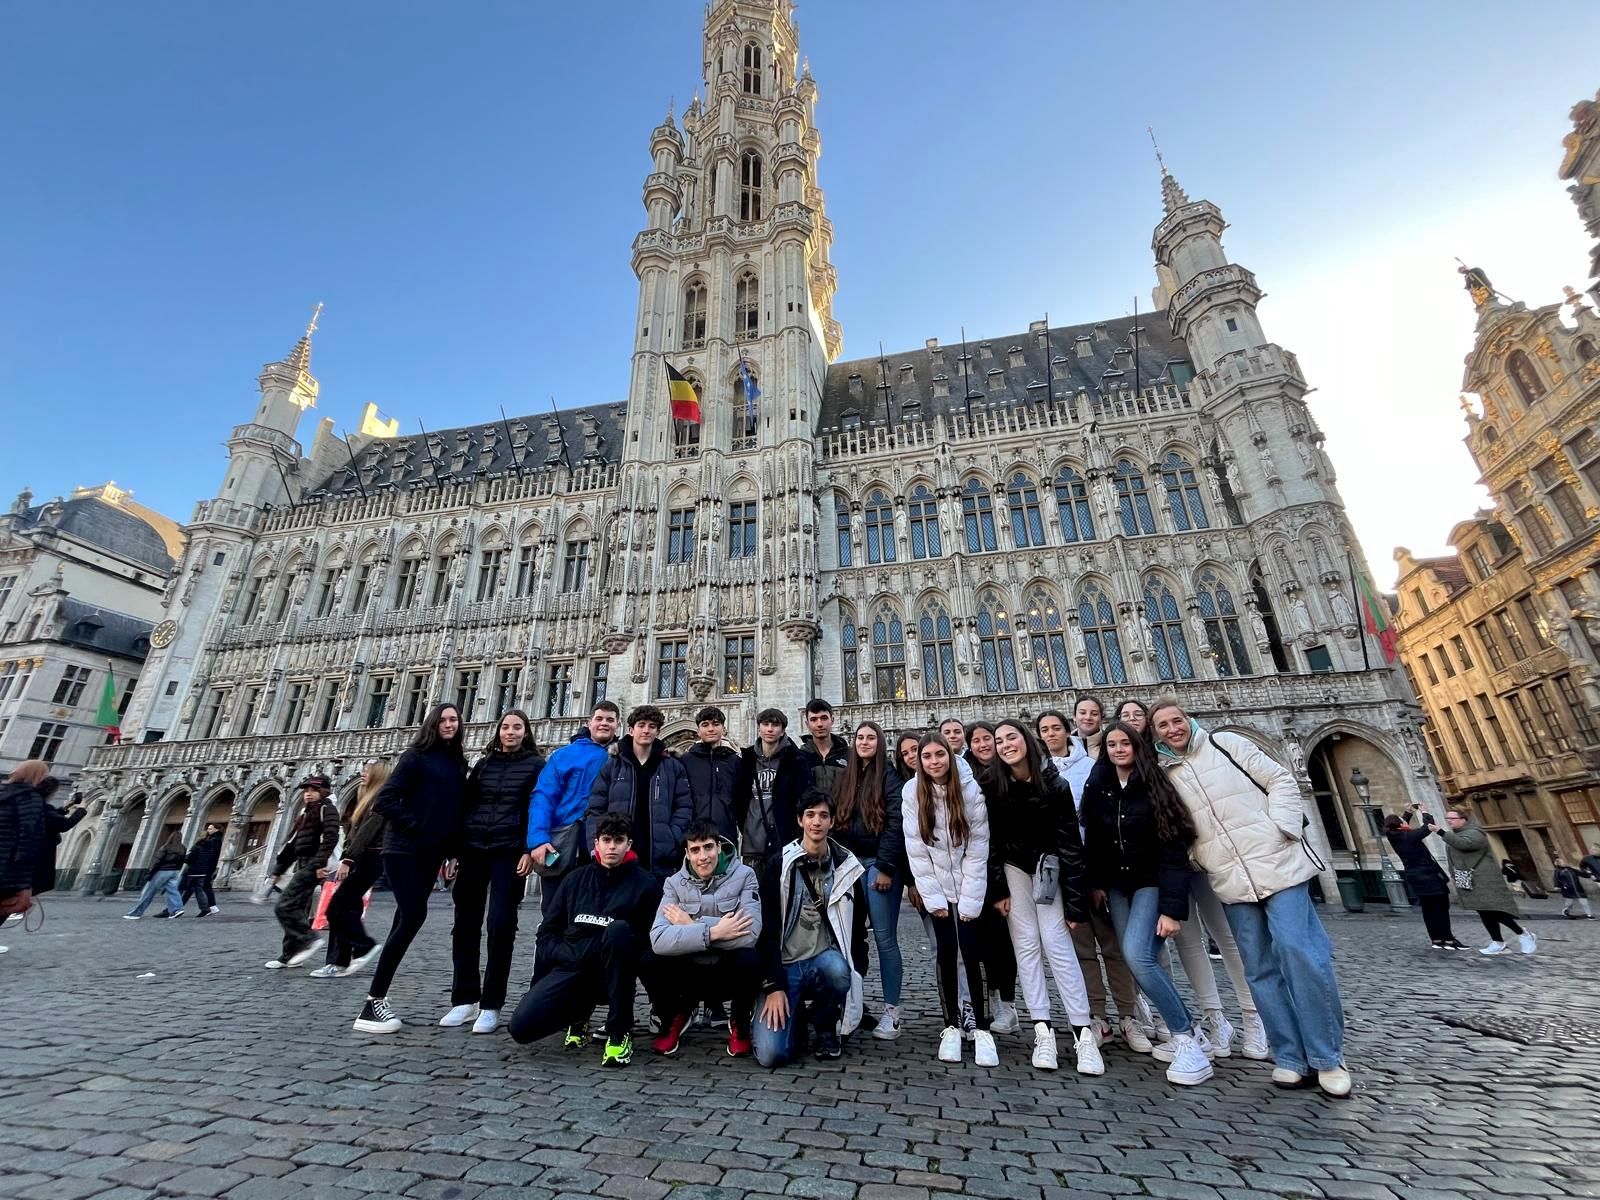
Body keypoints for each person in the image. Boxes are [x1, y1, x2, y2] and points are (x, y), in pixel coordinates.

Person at [1152, 698, 1352, 1098]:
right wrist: (1200, 856)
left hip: (1278, 864)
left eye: (1177, 720)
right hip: (1229, 876)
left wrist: (1282, 828)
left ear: (1189, 720)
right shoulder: (1163, 774)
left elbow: (1281, 779)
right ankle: (1291, 1057)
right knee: (1257, 966)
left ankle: (1328, 1057)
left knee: (1301, 953)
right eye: (1163, 725)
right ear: (1155, 734)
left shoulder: (1227, 743)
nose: (1172, 729)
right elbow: (1173, 827)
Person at [1081, 721, 1212, 1087]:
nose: (1119, 749)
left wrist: (1172, 909)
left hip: (1151, 883)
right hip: (1117, 886)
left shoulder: (1156, 785)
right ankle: (1190, 1030)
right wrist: (1095, 884)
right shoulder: (1099, 787)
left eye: (1126, 743)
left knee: (1138, 956)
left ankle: (1185, 1037)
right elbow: (1093, 839)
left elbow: (1174, 847)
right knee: (1135, 958)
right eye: (1112, 744)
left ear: (1138, 747)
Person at [985, 719, 1099, 1074]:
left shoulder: (1056, 784)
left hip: (1048, 871)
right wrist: (999, 889)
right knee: (1026, 945)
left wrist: (1076, 902)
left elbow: (1070, 843)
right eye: (999, 741)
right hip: (1014, 869)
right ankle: (1042, 1029)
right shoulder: (993, 784)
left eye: (1011, 738)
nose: (1005, 745)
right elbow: (989, 840)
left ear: (1026, 741)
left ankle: (1083, 1032)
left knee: (1057, 942)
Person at [508, 812, 665, 1066]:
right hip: (572, 965)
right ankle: (579, 1013)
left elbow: (653, 942)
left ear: (629, 844)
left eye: (618, 840)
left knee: (619, 931)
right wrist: (566, 954)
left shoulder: (646, 884)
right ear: (596, 843)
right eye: (606, 840)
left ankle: (619, 1032)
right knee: (521, 1028)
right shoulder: (574, 880)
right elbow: (547, 933)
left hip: (615, 970)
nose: (612, 846)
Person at [353, 702, 469, 1034]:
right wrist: (415, 826)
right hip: (403, 850)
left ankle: (376, 999)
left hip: (430, 853)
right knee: (413, 915)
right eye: (443, 719)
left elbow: (451, 811)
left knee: (404, 920)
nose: (449, 724)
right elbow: (385, 799)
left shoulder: (456, 763)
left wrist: (451, 849)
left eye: (454, 719)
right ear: (432, 724)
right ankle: (373, 1001)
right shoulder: (415, 757)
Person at [1037, 707, 1145, 1051]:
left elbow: (1102, 821)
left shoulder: (1094, 768)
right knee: (1081, 947)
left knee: (1114, 946)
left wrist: (1097, 873)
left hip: (1096, 865)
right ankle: (1098, 1016)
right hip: (1063, 871)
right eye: (1045, 729)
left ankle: (1129, 1015)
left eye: (1056, 728)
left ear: (1067, 731)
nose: (1051, 734)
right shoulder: (1038, 772)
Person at [441, 710, 545, 1035]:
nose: (510, 732)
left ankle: (491, 1004)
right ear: (498, 731)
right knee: (465, 925)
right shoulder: (484, 765)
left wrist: (529, 848)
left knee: (501, 925)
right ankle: (464, 998)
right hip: (473, 849)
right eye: (505, 727)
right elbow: (466, 806)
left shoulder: (536, 766)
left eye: (517, 727)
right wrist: (455, 851)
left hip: (508, 851)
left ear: (526, 732)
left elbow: (536, 808)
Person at [753, 788, 865, 1068]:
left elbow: (858, 927)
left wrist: (857, 970)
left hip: (822, 960)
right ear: (800, 820)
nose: (817, 822)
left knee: (839, 972)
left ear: (832, 822)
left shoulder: (847, 867)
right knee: (772, 1056)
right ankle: (798, 1020)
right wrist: (773, 985)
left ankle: (826, 1024)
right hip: (785, 966)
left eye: (823, 816)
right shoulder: (778, 865)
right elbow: (765, 931)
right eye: (810, 815)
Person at [902, 733, 996, 1067]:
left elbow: (978, 846)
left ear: (950, 756)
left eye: (939, 755)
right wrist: (933, 897)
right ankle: (951, 1025)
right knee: (945, 953)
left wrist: (970, 900)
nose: (933, 762)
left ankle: (982, 1027)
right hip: (936, 886)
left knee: (972, 952)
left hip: (968, 884)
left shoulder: (970, 791)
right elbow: (916, 849)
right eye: (926, 756)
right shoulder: (912, 793)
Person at [649, 819, 763, 1057]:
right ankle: (675, 1016)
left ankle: (740, 1022)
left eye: (708, 847)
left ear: (719, 847)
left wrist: (690, 924)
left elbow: (749, 934)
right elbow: (658, 938)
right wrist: (715, 931)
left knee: (749, 958)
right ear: (687, 854)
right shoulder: (673, 884)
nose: (703, 856)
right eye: (695, 850)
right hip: (690, 970)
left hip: (727, 970)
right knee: (652, 958)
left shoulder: (745, 876)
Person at [831, 720, 906, 1040]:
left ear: (879, 743)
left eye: (870, 738)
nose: (864, 742)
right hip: (848, 865)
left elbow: (896, 822)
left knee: (885, 940)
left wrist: (887, 867)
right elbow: (834, 817)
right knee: (846, 938)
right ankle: (851, 1004)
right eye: (859, 738)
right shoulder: (845, 778)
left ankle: (892, 1012)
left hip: (878, 864)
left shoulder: (888, 777)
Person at [586, 704, 692, 878]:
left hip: (659, 856)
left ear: (658, 732)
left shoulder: (672, 766)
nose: (646, 731)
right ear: (630, 730)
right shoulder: (613, 765)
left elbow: (684, 807)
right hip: (619, 853)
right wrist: (595, 845)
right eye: (641, 725)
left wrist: (672, 837)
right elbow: (596, 808)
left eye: (652, 727)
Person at [524, 700, 619, 886]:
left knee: (593, 908)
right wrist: (538, 839)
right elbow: (543, 798)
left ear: (618, 724)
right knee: (554, 907)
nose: (604, 723)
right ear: (589, 722)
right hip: (561, 839)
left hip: (603, 844)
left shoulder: (623, 756)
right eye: (599, 719)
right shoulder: (564, 755)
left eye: (610, 720)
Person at [311, 759, 391, 979]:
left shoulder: (382, 797)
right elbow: (355, 833)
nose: (362, 773)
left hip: (368, 858)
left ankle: (362, 947)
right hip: (362, 857)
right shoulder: (365, 797)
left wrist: (348, 859)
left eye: (367, 770)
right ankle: (339, 961)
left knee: (336, 909)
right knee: (348, 909)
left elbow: (367, 832)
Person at [1438, 806, 1536, 957]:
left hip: (1484, 878)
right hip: (1468, 878)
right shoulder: (1453, 835)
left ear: (1463, 819)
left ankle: (1523, 934)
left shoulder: (1475, 833)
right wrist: (1453, 874)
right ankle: (1498, 942)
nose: (1449, 821)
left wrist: (1440, 832)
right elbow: (1453, 857)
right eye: (1447, 819)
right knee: (1482, 911)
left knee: (1493, 910)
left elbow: (1465, 844)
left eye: (1452, 818)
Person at [263, 776, 341, 962]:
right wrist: (277, 871)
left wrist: (318, 864)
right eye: (306, 790)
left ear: (324, 791)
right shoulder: (307, 813)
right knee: (296, 909)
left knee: (284, 905)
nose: (308, 793)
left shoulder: (326, 809)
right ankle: (290, 955)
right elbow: (293, 844)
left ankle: (309, 939)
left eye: (313, 790)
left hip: (313, 866)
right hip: (303, 864)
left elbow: (331, 837)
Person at [734, 708, 812, 872]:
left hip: (784, 843)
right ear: (758, 728)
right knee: (754, 895)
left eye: (775, 725)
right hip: (752, 844)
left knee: (782, 894)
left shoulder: (796, 759)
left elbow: (802, 800)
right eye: (766, 724)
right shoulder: (746, 759)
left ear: (782, 730)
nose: (770, 729)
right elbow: (740, 801)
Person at [1383, 812, 1460, 948]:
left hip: (1415, 877)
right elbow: (1428, 826)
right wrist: (1424, 811)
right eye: (1403, 821)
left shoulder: (1395, 836)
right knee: (1441, 907)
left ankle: (1436, 939)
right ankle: (1448, 939)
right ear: (1400, 825)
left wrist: (1408, 814)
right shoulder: (1409, 836)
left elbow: (1400, 825)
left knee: (1428, 909)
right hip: (1429, 875)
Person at [680, 706, 741, 844]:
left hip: (726, 834)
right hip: (694, 836)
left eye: (715, 724)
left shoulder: (735, 761)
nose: (711, 729)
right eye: (705, 725)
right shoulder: (685, 761)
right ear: (698, 731)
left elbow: (741, 802)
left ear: (724, 729)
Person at [0, 761, 52, 921]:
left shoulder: (2, 793)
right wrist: (25, 884)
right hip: (8, 872)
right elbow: (29, 839)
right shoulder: (30, 798)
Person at [124, 831, 189, 920]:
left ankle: (136, 913)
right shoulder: (183, 848)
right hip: (175, 872)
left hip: (162, 871)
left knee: (148, 892)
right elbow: (182, 861)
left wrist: (150, 873)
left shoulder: (166, 847)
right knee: (173, 891)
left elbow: (158, 861)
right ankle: (177, 909)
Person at [798, 699, 850, 801]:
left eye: (824, 718)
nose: (819, 724)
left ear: (832, 720)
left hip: (843, 816)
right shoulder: (800, 757)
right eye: (814, 719)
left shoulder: (849, 755)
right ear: (807, 724)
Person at [181, 822, 223, 916]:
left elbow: (212, 855)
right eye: (208, 829)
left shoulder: (214, 840)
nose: (208, 831)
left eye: (210, 829)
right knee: (197, 888)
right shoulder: (213, 839)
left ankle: (211, 907)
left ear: (217, 830)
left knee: (204, 887)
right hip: (203, 868)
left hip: (204, 868)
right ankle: (209, 907)